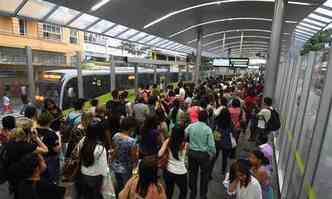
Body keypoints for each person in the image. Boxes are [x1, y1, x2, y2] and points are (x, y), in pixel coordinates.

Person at [185, 110, 216, 199]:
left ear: (198, 117)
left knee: (192, 174)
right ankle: (203, 194)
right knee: (204, 175)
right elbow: (211, 145)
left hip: (192, 153)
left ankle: (193, 192)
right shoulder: (208, 129)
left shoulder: (191, 126)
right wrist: (212, 154)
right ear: (206, 119)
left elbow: (184, 134)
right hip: (203, 155)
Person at [76, 120, 109, 199]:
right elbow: (103, 167)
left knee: (86, 195)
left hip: (84, 173)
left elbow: (78, 154)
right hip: (96, 176)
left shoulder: (82, 141)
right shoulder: (100, 148)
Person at [159, 127, 188, 199]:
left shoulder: (168, 141)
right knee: (183, 192)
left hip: (168, 170)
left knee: (168, 191)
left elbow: (159, 154)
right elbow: (186, 157)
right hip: (181, 172)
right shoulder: (185, 144)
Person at [111, 117, 138, 192]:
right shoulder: (132, 141)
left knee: (119, 186)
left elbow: (114, 149)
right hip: (126, 168)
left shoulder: (116, 135)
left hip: (115, 166)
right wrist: (135, 166)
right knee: (126, 187)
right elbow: (133, 157)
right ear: (131, 128)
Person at [36, 111, 61, 184]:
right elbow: (56, 149)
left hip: (37, 158)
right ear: (49, 122)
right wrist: (59, 138)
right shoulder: (52, 134)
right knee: (50, 180)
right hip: (50, 160)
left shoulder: (34, 131)